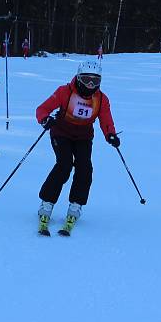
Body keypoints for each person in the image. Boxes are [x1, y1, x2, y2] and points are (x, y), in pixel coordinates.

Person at [35, 61, 118, 236]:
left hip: (83, 136)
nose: (90, 85)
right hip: (62, 132)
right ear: (79, 78)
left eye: (95, 81)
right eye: (87, 79)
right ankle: (47, 203)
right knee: (64, 165)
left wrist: (110, 134)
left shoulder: (101, 99)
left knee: (85, 168)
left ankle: (76, 205)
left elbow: (106, 119)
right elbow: (42, 108)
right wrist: (45, 119)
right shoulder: (64, 92)